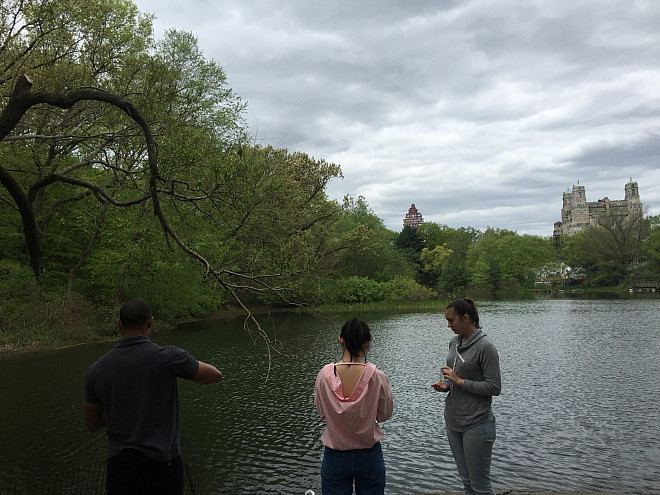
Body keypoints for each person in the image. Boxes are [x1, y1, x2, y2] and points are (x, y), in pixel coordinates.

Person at [84, 298, 222, 495]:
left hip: (120, 466)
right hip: (163, 464)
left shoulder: (96, 370)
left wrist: (122, 408)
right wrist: (179, 362)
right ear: (150, 322)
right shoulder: (169, 357)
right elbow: (215, 376)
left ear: (119, 324)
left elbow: (92, 423)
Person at [314, 318, 393, 495]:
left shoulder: (324, 375)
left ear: (340, 340)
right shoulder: (377, 376)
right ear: (367, 344)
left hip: (335, 454)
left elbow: (321, 412)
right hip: (369, 454)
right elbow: (385, 414)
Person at [431, 298, 501, 495]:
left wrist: (459, 381)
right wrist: (446, 386)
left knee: (481, 485)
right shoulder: (454, 342)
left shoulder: (485, 347)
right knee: (467, 482)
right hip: (453, 421)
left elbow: (494, 387)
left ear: (466, 318)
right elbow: (455, 378)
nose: (448, 325)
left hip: (477, 423)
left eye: (452, 321)